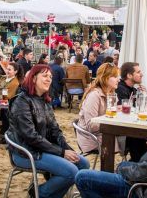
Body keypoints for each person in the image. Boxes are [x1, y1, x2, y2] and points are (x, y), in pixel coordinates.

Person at [7, 64, 90, 198]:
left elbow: (55, 130)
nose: (49, 79)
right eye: (44, 76)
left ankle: (49, 192)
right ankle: (37, 193)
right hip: (26, 152)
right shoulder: (21, 101)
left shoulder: (44, 101)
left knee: (83, 163)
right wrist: (62, 152)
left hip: (43, 149)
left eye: (50, 77)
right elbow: (30, 136)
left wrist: (67, 149)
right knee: (71, 172)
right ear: (33, 78)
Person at [78, 63, 120, 154]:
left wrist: (118, 111)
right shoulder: (94, 95)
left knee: (132, 139)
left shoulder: (111, 94)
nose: (118, 79)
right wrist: (110, 119)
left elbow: (112, 115)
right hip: (91, 138)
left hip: (104, 133)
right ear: (105, 78)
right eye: (115, 76)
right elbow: (91, 126)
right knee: (129, 140)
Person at [116, 62, 147, 162]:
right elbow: (125, 114)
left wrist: (144, 96)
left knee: (141, 135)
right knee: (137, 136)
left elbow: (141, 109)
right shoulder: (120, 89)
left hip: (130, 127)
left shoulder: (133, 90)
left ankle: (139, 163)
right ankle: (139, 164)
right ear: (129, 75)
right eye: (138, 72)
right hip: (119, 130)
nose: (142, 74)